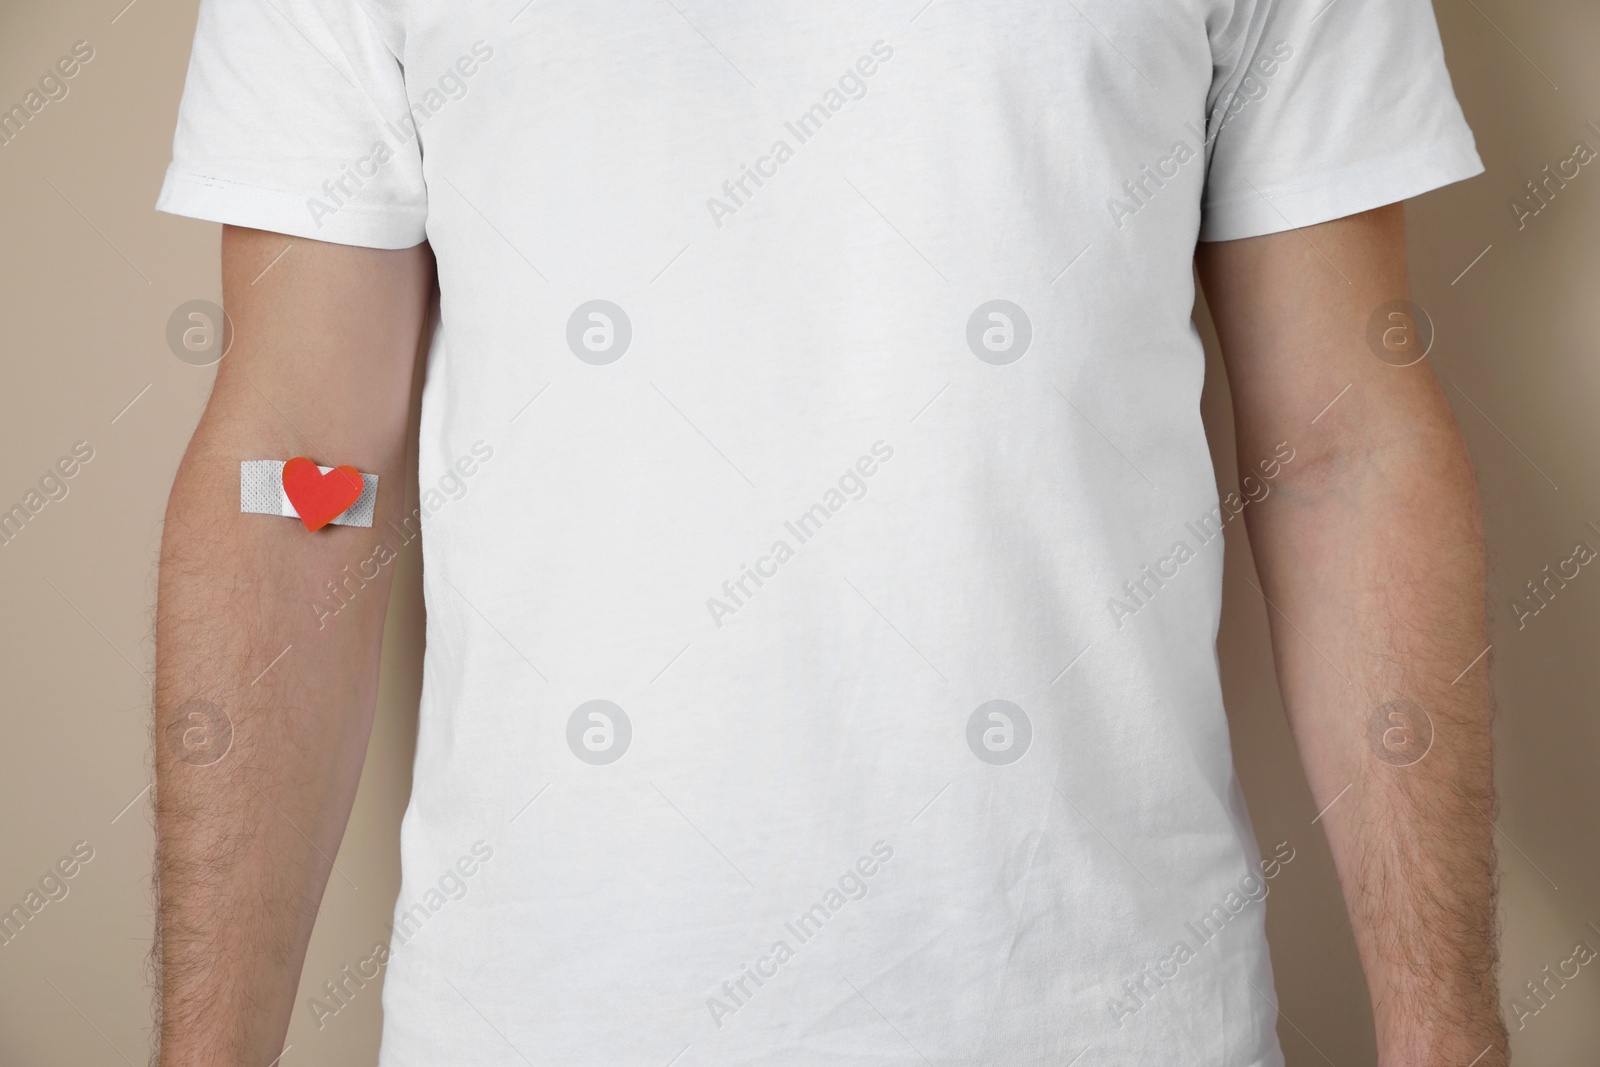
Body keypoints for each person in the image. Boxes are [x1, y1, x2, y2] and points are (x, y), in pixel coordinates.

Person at [151, 0, 1505, 1063]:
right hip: (545, 1020)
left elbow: (1340, 452)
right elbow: (301, 487)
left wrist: (1448, 1034)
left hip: (1107, 1016)